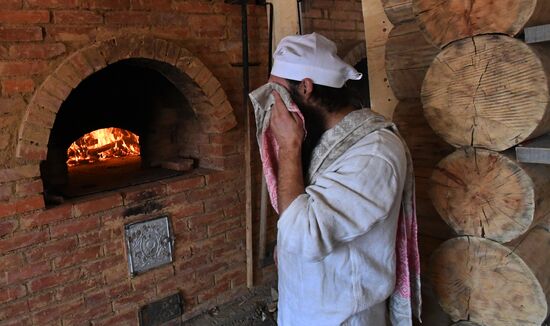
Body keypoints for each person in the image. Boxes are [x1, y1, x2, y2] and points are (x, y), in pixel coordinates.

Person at [249, 33, 420, 326]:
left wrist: (289, 148)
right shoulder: (322, 140)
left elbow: (301, 236)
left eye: (277, 91)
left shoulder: (374, 155)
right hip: (306, 306)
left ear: (305, 88)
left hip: (343, 315)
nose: (273, 103)